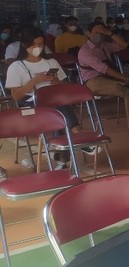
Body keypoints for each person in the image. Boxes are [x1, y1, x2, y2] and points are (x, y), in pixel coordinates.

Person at [5, 26, 77, 173]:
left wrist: (55, 80)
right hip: (30, 105)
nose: (37, 48)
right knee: (59, 109)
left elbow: (63, 88)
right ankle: (77, 136)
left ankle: (62, 155)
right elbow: (16, 96)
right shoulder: (17, 66)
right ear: (25, 45)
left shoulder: (51, 62)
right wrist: (33, 82)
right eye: (34, 45)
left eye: (41, 44)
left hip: (53, 102)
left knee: (58, 108)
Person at [77, 22, 129, 131]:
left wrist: (110, 33)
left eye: (102, 32)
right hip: (93, 82)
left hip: (108, 79)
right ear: (89, 33)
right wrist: (124, 78)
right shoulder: (85, 51)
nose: (99, 34)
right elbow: (103, 68)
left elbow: (124, 45)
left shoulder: (105, 46)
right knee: (128, 92)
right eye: (96, 31)